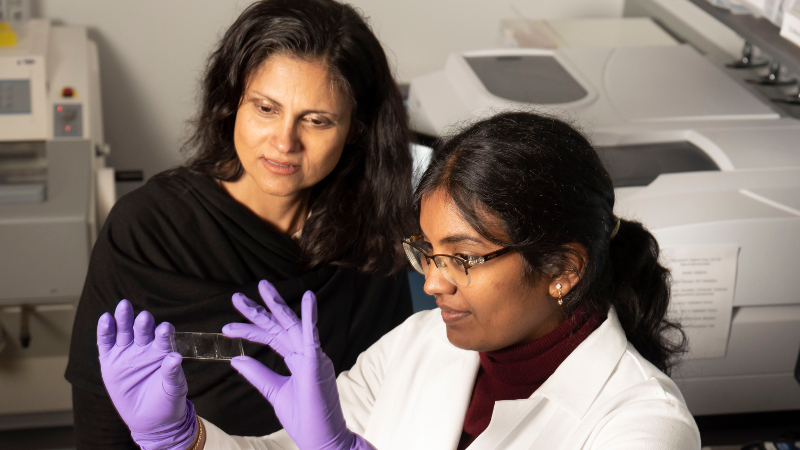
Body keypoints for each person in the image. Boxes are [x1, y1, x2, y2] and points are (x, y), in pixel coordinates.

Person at [94, 111, 702, 449]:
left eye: (462, 257)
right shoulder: (420, 343)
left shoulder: (643, 428)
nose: (435, 282)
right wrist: (183, 439)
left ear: (563, 269)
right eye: (426, 251)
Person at [65, 0, 415, 448]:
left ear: (356, 130)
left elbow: (394, 407)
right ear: (233, 102)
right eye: (267, 108)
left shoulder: (371, 237)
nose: (285, 141)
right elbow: (102, 421)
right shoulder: (149, 229)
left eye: (317, 120)